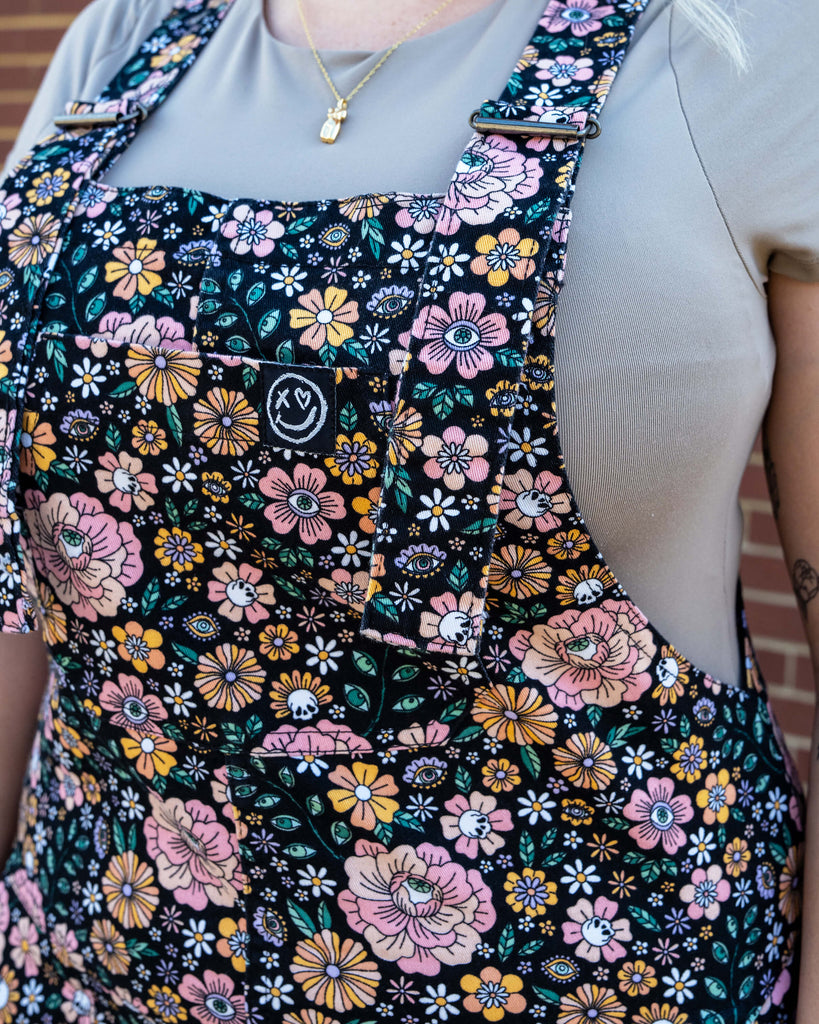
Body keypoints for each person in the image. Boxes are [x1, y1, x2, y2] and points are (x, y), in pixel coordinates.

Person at [0, 0, 816, 1020]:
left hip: (588, 973)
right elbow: (21, 604)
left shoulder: (752, 39)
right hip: (89, 969)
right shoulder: (122, 39)